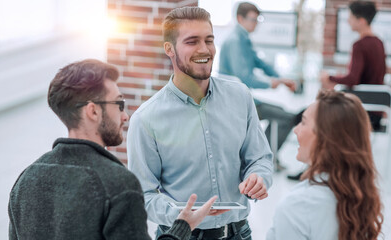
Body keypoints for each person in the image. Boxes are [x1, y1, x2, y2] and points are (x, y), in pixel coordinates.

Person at [8, 59, 218, 240]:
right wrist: (183, 226)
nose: (125, 116)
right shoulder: (117, 184)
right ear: (93, 111)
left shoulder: (26, 180)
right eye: (119, 104)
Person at [127, 7, 273, 240]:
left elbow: (259, 158)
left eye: (209, 40)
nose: (204, 50)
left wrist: (259, 177)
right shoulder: (146, 119)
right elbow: (142, 194)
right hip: (181, 235)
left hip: (238, 233)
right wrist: (183, 215)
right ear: (169, 49)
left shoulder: (240, 96)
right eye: (192, 42)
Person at [266, 90, 383, 240]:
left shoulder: (298, 205)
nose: (296, 130)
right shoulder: (360, 196)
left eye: (304, 122)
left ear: (324, 137)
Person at [219, 2, 297, 169]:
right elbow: (244, 78)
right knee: (286, 117)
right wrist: (271, 82)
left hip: (243, 99)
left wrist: (281, 79)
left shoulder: (243, 38)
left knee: (282, 113)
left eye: (257, 20)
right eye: (252, 19)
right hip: (235, 104)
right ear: (240, 18)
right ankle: (263, 160)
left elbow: (259, 63)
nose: (255, 24)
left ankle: (263, 158)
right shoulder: (235, 41)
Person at [321, 0, 386, 130]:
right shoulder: (379, 43)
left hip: (362, 110)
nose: (348, 21)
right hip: (376, 108)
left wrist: (329, 77)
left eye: (350, 17)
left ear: (361, 21)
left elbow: (352, 79)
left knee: (315, 115)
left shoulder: (359, 45)